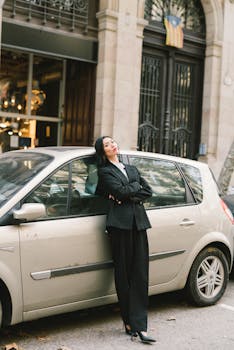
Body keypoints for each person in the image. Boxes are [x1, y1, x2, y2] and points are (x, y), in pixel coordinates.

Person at [95, 136, 156, 344]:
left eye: (112, 142)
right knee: (124, 274)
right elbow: (119, 191)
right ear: (103, 152)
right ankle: (128, 321)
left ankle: (140, 325)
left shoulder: (131, 168)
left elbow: (148, 191)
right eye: (106, 144)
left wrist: (126, 194)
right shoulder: (104, 172)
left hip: (139, 224)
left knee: (140, 274)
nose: (112, 145)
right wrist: (131, 190)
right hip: (119, 226)